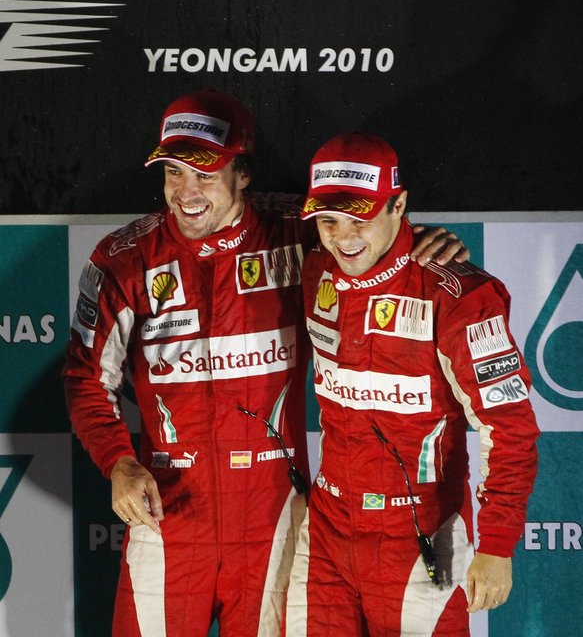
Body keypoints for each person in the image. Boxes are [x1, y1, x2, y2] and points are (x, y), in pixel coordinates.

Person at [63, 92, 469, 637]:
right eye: (173, 172)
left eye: (205, 174)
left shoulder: (300, 231)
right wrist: (118, 461)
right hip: (167, 511)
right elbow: (86, 378)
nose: (186, 191)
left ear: (243, 173)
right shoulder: (122, 258)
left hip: (276, 518)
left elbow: (366, 236)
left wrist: (420, 241)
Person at [286, 132, 539, 637]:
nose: (343, 237)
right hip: (328, 527)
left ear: (398, 205)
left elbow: (510, 429)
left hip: (424, 533)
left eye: (360, 218)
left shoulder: (461, 296)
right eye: (329, 221)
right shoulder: (314, 269)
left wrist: (497, 545)